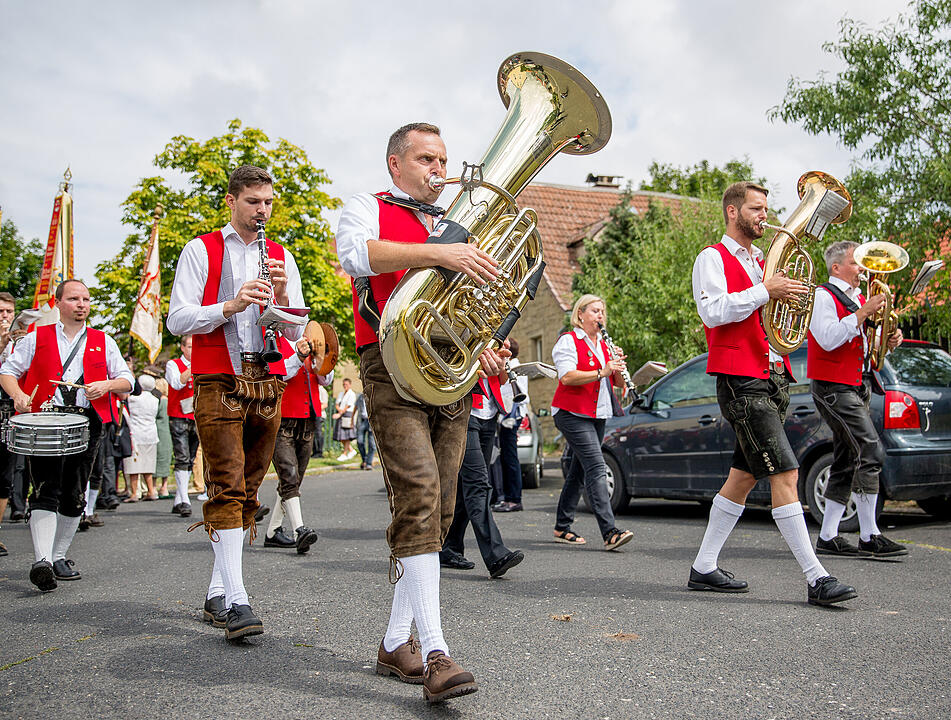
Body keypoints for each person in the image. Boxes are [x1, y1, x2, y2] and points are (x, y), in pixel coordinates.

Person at [336, 122, 507, 702]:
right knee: (418, 492)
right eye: (427, 159)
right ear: (395, 164)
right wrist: (442, 252)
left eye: (444, 159)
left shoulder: (456, 216)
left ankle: (393, 643)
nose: (441, 168)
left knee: (441, 504)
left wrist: (481, 344)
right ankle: (436, 653)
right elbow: (356, 255)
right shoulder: (368, 206)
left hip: (448, 370)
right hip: (389, 362)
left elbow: (465, 302)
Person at [688, 180, 856, 606]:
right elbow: (712, 310)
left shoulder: (763, 259)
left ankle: (704, 567)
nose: (765, 216)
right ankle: (816, 577)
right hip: (740, 379)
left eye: (766, 208)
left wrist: (788, 298)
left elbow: (771, 317)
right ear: (733, 212)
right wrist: (768, 290)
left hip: (771, 376)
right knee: (786, 473)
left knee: (742, 479)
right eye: (757, 209)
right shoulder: (712, 257)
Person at [167, 164, 305, 641]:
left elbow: (295, 329)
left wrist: (284, 301)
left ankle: (217, 590)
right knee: (225, 483)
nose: (262, 210)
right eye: (253, 202)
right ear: (231, 201)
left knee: (249, 489)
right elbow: (177, 319)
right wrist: (230, 303)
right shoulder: (200, 248)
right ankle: (239, 602)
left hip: (266, 380)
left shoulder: (283, 255)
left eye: (268, 202)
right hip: (218, 378)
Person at [0, 279, 133, 591]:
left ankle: (59, 555)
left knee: (75, 492)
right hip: (45, 420)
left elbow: (127, 379)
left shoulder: (103, 340)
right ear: (58, 303)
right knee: (46, 487)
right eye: (74, 299)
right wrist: (19, 394)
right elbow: (7, 372)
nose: (82, 304)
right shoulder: (36, 337)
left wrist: (107, 386)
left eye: (86, 299)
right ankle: (42, 560)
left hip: (88, 422)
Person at [808, 240, 908, 559]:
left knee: (847, 457)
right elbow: (827, 338)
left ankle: (828, 535)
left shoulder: (858, 297)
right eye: (856, 263)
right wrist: (864, 312)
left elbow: (865, 349)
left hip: (857, 382)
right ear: (836, 267)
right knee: (869, 448)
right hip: (833, 386)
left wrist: (889, 340)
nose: (862, 269)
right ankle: (869, 534)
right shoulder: (823, 295)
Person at [550, 295, 634, 551]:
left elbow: (617, 384)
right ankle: (610, 532)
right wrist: (602, 371)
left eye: (602, 311)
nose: (600, 315)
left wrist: (617, 367)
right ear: (580, 315)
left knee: (578, 470)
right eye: (595, 311)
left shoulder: (604, 344)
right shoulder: (569, 341)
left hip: (597, 413)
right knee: (597, 466)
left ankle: (562, 527)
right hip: (571, 413)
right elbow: (567, 377)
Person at [441, 373, 524, 578]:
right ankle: (496, 555)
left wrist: (500, 361)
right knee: (478, 484)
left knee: (466, 485)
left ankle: (449, 548)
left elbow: (501, 378)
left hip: (489, 412)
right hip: (462, 409)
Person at [263, 335, 332, 554]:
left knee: (295, 478)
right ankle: (299, 530)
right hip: (282, 417)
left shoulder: (312, 344)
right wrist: (299, 355)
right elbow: (279, 373)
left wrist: (323, 361)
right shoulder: (274, 340)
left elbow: (325, 380)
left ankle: (273, 531)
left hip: (308, 418)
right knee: (289, 473)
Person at [166, 335, 199, 516]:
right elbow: (177, 383)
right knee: (182, 456)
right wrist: (192, 367)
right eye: (190, 347)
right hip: (178, 415)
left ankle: (179, 497)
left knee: (191, 457)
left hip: (196, 415)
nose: (193, 351)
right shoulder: (173, 364)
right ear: (183, 348)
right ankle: (184, 500)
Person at [493, 338, 526, 512]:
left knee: (510, 458)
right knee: (507, 458)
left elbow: (515, 394)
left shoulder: (514, 367)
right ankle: (508, 497)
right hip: (508, 418)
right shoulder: (514, 365)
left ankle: (514, 498)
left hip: (510, 419)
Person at [123, 374, 160, 502]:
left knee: (134, 465)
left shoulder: (134, 399)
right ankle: (151, 491)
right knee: (148, 464)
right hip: (151, 433)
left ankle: (134, 493)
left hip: (136, 433)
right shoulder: (155, 399)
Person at [0, 292, 17, 554]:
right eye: (0, 312)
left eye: (9, 313)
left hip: (7, 412)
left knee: (3, 476)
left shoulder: (19, 343)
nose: (4, 317)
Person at [154, 378, 173, 498]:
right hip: (167, 432)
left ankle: (154, 487)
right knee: (165, 459)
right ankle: (164, 486)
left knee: (157, 458)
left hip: (158, 431)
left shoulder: (160, 401)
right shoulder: (169, 401)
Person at [332, 378, 357, 460]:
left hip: (347, 415)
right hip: (341, 414)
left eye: (346, 384)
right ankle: (351, 450)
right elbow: (337, 404)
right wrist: (339, 410)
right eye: (343, 384)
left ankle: (345, 453)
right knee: (340, 435)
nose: (345, 386)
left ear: (350, 385)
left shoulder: (352, 394)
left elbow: (348, 405)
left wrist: (340, 413)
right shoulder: (341, 393)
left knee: (346, 435)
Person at [355, 391, 376, 470]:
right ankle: (364, 459)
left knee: (372, 444)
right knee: (359, 441)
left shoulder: (374, 395)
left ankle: (369, 463)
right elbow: (355, 407)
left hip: (371, 421)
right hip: (362, 421)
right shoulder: (360, 397)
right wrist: (351, 421)